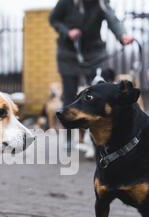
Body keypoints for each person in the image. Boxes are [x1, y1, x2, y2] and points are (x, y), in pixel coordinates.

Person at [50, 0, 134, 148]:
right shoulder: (66, 2)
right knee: (69, 96)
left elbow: (112, 19)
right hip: (69, 53)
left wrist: (122, 35)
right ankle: (69, 137)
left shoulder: (101, 2)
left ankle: (99, 137)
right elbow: (54, 19)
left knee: (98, 92)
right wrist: (67, 32)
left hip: (95, 52)